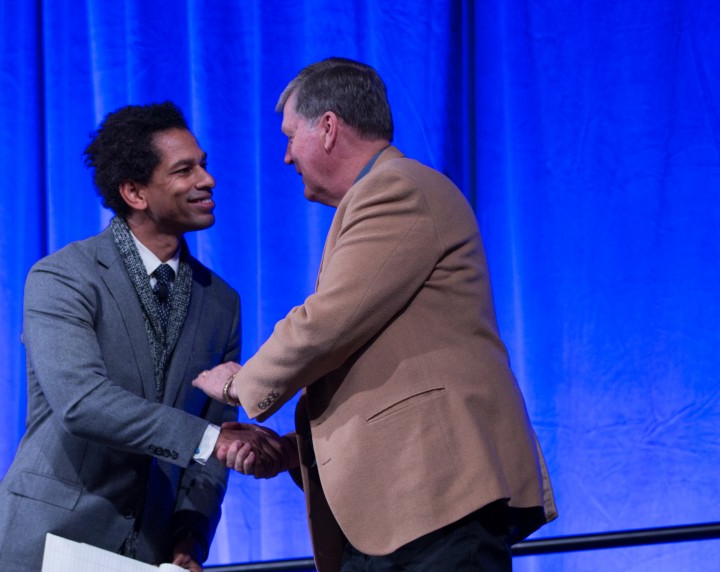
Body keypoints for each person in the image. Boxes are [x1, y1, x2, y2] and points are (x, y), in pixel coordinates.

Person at [195, 58, 558, 571]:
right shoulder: (379, 197)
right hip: (395, 511)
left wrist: (241, 383)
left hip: (436, 502)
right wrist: (295, 452)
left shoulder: (397, 189)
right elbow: (380, 368)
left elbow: (327, 323)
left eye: (290, 136)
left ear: (327, 128)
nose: (285, 157)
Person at [0, 101, 283, 571]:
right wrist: (212, 440)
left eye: (204, 165)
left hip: (144, 558)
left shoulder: (221, 302)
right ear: (134, 191)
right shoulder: (63, 277)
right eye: (184, 170)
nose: (207, 180)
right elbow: (82, 402)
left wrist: (190, 539)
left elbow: (212, 445)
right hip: (41, 546)